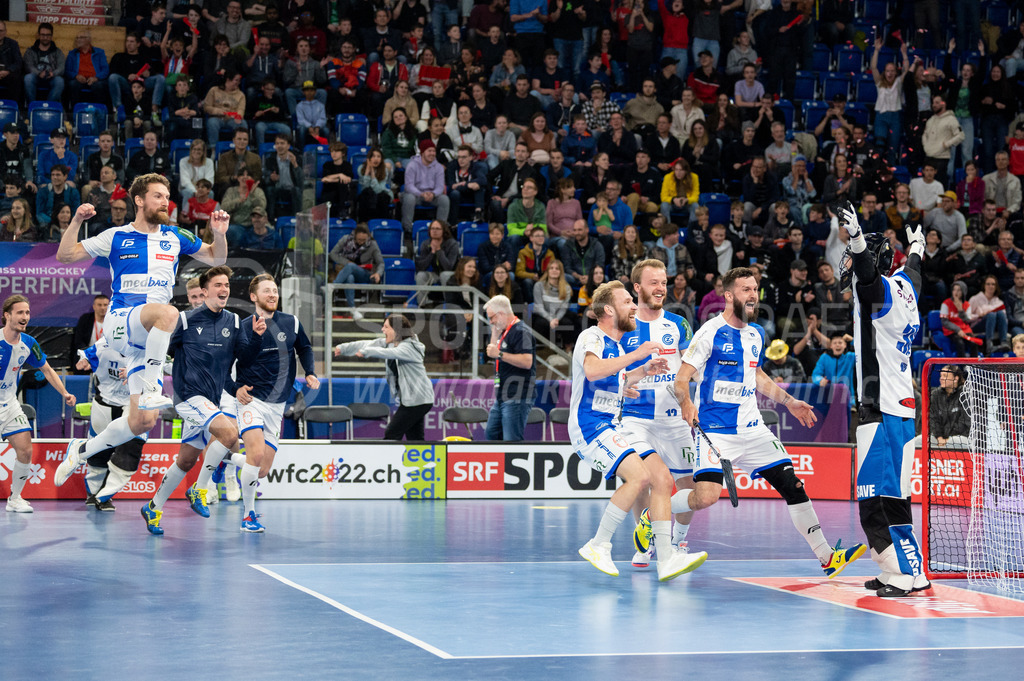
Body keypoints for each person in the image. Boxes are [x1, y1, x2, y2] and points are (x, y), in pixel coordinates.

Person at [667, 266, 866, 578]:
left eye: (755, 288)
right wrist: (686, 402)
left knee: (793, 485)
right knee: (705, 497)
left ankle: (828, 557)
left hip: (754, 430)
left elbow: (756, 375)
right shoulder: (710, 332)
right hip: (717, 432)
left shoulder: (756, 333)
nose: (753, 294)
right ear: (728, 295)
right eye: (746, 289)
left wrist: (790, 401)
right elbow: (681, 380)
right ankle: (655, 514)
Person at [53, 176, 229, 488]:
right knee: (169, 311)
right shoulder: (117, 236)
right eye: (158, 196)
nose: (165, 202)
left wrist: (219, 233)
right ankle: (151, 389)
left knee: (141, 421)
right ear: (139, 200)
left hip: (147, 340)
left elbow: (217, 257)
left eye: (168, 197)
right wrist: (78, 220)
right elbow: (65, 255)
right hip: (121, 320)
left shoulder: (176, 236)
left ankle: (80, 452)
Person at [571, 281, 707, 580]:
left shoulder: (616, 345)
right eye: (627, 302)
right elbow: (593, 371)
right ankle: (598, 544)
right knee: (640, 477)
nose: (634, 306)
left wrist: (640, 374)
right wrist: (638, 355)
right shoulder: (591, 337)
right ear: (609, 309)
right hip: (589, 426)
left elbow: (613, 379)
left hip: (608, 423)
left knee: (658, 479)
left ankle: (666, 557)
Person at [836, 201, 930, 596]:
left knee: (882, 497)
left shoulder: (879, 293)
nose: (847, 264)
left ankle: (906, 575)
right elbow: (916, 268)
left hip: (883, 406)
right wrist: (918, 246)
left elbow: (867, 274)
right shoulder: (906, 287)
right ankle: (901, 568)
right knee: (884, 495)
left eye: (851, 257)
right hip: (894, 406)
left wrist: (857, 238)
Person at [140, 266, 267, 535]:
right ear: (205, 291)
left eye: (227, 285)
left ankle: (153, 506)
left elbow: (242, 357)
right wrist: (147, 372)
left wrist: (255, 338)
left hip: (210, 399)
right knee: (229, 434)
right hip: (188, 396)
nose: (224, 290)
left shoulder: (233, 321)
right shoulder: (185, 321)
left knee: (185, 461)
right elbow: (163, 349)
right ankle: (199, 489)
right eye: (218, 285)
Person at [619, 259, 700, 569]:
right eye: (653, 283)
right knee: (644, 481)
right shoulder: (622, 325)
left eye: (663, 282)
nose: (660, 288)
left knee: (690, 485)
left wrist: (690, 404)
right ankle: (646, 541)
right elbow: (609, 368)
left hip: (674, 419)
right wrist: (622, 384)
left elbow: (692, 370)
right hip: (635, 419)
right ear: (637, 287)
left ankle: (677, 540)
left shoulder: (679, 324)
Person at [223, 274, 318, 531]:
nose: (273, 295)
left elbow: (305, 348)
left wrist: (309, 372)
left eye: (275, 290)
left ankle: (227, 457)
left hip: (277, 406)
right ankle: (248, 515)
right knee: (254, 454)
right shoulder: (240, 328)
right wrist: (235, 389)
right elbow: (222, 368)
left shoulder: (292, 322)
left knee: (261, 469)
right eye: (267, 291)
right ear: (254, 297)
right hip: (251, 401)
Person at [2, 295, 77, 512]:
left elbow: (47, 369)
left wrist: (65, 392)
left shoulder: (29, 344)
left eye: (27, 312)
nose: (25, 317)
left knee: (25, 450)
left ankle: (15, 498)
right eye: (19, 312)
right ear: (7, 315)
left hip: (10, 404)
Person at [72, 335, 146, 511]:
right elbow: (86, 356)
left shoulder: (148, 345)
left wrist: (137, 371)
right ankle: (94, 493)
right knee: (98, 455)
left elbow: (161, 367)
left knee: (131, 450)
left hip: (133, 404)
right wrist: (84, 360)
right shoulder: (104, 344)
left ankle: (105, 496)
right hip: (104, 403)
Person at [334, 314, 434, 440]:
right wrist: (343, 348)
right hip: (413, 400)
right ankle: (420, 459)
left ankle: (390, 459)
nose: (382, 329)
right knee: (415, 438)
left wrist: (366, 352)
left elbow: (390, 353)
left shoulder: (410, 347)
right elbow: (368, 343)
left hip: (419, 399)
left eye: (386, 327)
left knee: (392, 433)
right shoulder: (392, 343)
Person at [483, 295, 536, 441]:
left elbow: (527, 361)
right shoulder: (504, 331)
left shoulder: (521, 331)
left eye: (492, 318)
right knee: (491, 435)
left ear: (501, 314)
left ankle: (512, 464)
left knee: (511, 440)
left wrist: (500, 353)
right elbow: (492, 353)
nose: (491, 322)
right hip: (502, 395)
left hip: (517, 395)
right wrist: (495, 333)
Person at [330, 224, 384, 321]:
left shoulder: (372, 244)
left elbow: (381, 263)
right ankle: (353, 309)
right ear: (355, 236)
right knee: (350, 277)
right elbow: (332, 254)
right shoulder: (346, 239)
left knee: (351, 267)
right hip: (346, 272)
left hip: (364, 274)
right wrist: (346, 262)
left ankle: (333, 287)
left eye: (364, 240)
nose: (361, 242)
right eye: (359, 240)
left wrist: (378, 273)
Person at [929, 365, 970, 449]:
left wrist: (948, 439)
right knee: (919, 440)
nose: (941, 378)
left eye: (945, 376)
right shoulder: (935, 394)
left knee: (953, 442)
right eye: (941, 376)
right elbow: (933, 418)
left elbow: (964, 421)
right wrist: (939, 437)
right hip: (939, 438)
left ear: (955, 379)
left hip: (961, 437)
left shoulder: (965, 394)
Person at [70, 294, 110, 374]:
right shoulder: (85, 319)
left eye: (105, 305)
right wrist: (89, 354)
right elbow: (78, 341)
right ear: (94, 306)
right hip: (88, 353)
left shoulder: (113, 321)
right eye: (99, 305)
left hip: (106, 355)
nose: (102, 308)